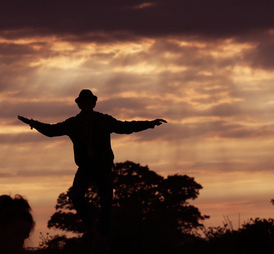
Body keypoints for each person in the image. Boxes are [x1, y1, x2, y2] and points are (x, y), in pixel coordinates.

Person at [18, 89, 166, 237]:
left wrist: (149, 124)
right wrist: (32, 123)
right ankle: (91, 228)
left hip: (103, 168)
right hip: (85, 168)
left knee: (106, 204)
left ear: (94, 103)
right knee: (76, 197)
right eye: (84, 102)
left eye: (90, 101)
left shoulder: (104, 120)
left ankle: (104, 237)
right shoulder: (73, 123)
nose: (87, 104)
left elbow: (126, 127)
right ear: (80, 105)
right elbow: (51, 130)